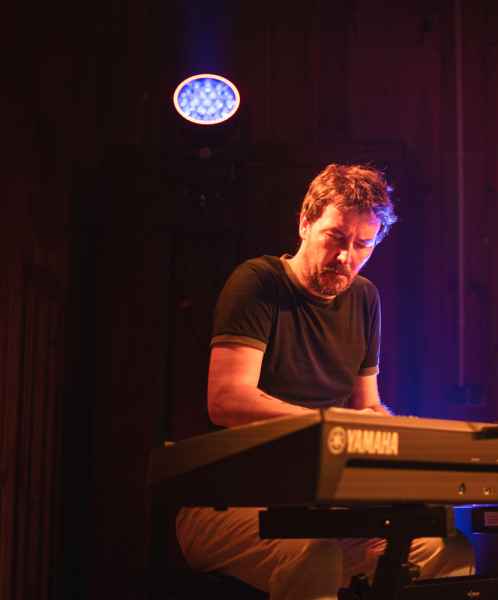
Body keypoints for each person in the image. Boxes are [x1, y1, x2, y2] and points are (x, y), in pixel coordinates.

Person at [175, 164, 474, 600]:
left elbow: (366, 406)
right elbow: (226, 400)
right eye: (335, 237)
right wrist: (330, 425)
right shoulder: (258, 283)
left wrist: (400, 435)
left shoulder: (365, 298)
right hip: (224, 502)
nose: (346, 257)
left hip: (314, 501)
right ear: (304, 223)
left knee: (445, 550)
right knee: (313, 553)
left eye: (362, 244)